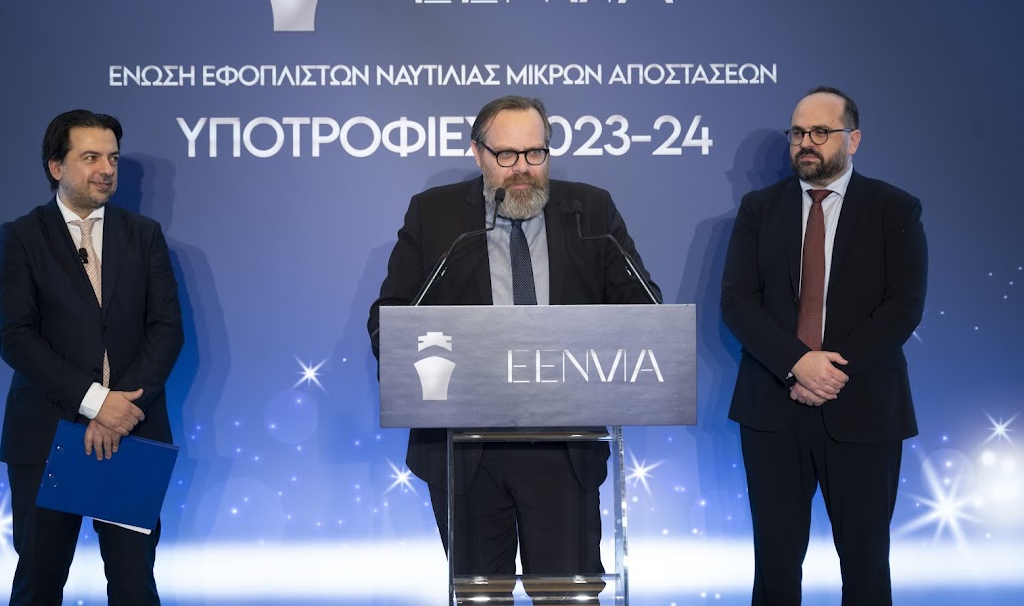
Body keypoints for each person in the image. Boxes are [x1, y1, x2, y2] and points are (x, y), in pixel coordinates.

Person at [368, 95, 660, 596]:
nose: (522, 168)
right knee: (481, 596)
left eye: (535, 153)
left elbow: (643, 308)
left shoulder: (589, 210)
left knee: (567, 595)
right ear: (478, 153)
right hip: (465, 448)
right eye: (506, 154)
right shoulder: (434, 215)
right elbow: (389, 318)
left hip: (563, 446)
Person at [721, 86, 927, 605]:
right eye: (797, 133)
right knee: (775, 565)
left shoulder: (895, 208)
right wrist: (797, 364)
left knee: (865, 563)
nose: (805, 143)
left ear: (852, 140)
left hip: (863, 406)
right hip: (773, 405)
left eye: (820, 132)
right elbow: (738, 302)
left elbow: (902, 307)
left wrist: (831, 372)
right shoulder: (758, 209)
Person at [0, 109, 184, 605]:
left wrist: (120, 412)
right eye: (91, 157)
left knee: (134, 586)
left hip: (131, 435)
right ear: (56, 166)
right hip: (47, 436)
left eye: (113, 158)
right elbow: (16, 336)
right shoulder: (21, 237)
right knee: (38, 584)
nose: (106, 169)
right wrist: (96, 403)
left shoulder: (144, 235)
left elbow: (167, 329)